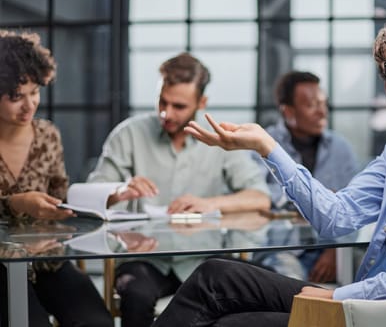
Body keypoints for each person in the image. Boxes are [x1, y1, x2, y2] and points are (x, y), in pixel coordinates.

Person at [151, 15, 386, 327]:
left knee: (230, 316)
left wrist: (343, 296)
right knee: (218, 278)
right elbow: (335, 218)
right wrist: (267, 146)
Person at [87, 52, 271, 327]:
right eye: (162, 101)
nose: (166, 113)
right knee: (135, 295)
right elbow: (91, 195)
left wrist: (211, 204)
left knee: (265, 286)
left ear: (202, 103)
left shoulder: (221, 139)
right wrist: (120, 190)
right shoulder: (129, 133)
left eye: (179, 106)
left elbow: (260, 199)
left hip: (204, 260)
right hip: (145, 260)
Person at [0, 30, 113, 326]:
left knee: (97, 321)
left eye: (34, 92)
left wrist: (101, 200)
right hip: (1, 267)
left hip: (47, 260)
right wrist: (15, 204)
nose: (29, 105)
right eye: (15, 97)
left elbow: (60, 198)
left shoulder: (48, 135)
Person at [253, 70, 359, 283]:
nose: (322, 112)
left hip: (330, 249)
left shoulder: (341, 148)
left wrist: (335, 251)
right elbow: (258, 197)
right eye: (312, 105)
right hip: (282, 250)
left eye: (323, 103)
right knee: (292, 288)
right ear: (288, 112)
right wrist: (315, 197)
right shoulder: (262, 143)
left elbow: (355, 206)